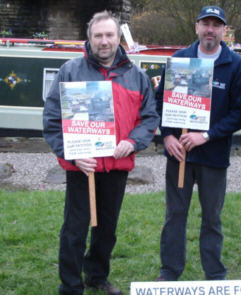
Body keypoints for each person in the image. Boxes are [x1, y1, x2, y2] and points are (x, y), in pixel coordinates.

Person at [43, 10, 159, 295]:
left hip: (116, 167)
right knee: (74, 231)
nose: (104, 41)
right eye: (98, 35)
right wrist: (72, 155)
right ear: (89, 38)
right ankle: (70, 286)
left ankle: (96, 276)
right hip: (83, 167)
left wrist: (133, 141)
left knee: (106, 230)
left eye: (109, 35)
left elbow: (149, 118)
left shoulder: (137, 75)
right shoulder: (70, 71)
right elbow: (51, 121)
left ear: (118, 38)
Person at [155, 6, 241, 281]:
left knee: (212, 218)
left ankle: (215, 273)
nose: (210, 29)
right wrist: (168, 136)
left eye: (216, 25)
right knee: (175, 216)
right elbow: (161, 102)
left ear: (224, 30)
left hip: (214, 157)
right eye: (205, 24)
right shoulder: (179, 60)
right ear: (196, 27)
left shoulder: (235, 66)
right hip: (180, 156)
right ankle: (170, 271)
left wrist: (206, 135)